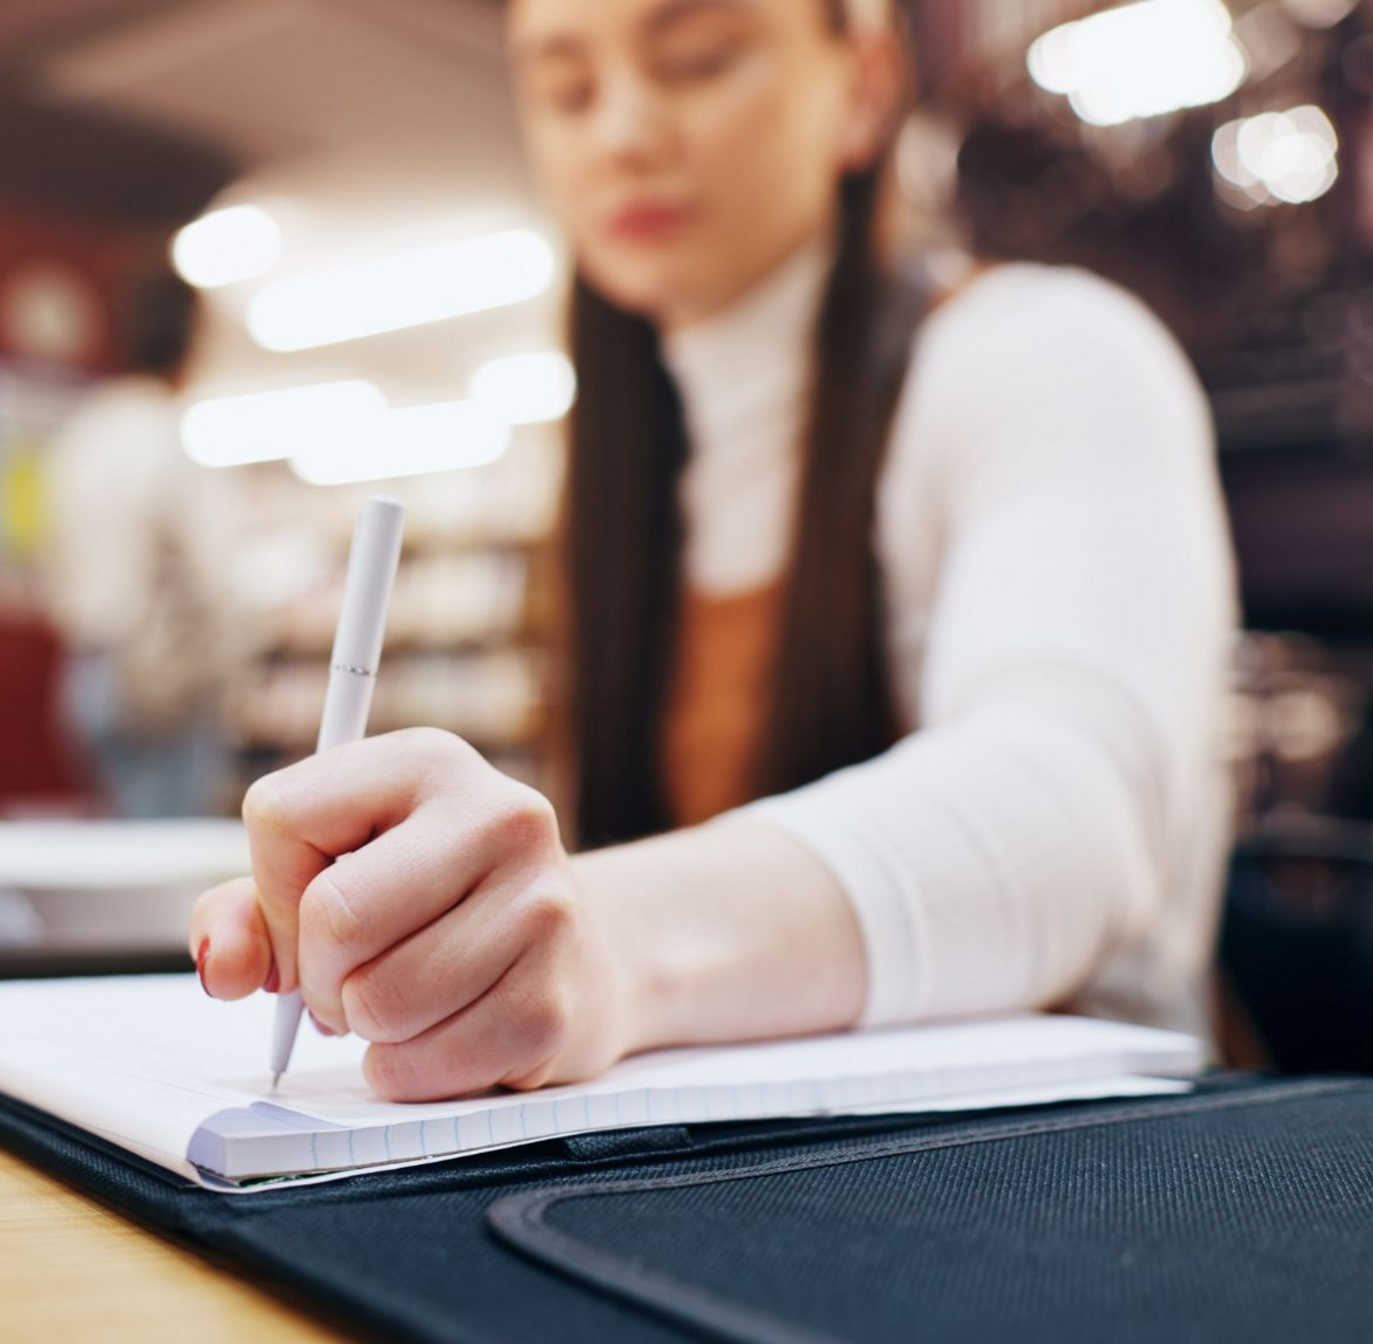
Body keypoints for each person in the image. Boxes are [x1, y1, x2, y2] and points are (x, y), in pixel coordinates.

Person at [189, 0, 1236, 1101]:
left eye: (694, 60)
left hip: (1072, 1177)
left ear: (863, 88)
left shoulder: (1049, 354)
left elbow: (1067, 813)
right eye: (564, 87)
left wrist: (613, 938)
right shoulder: (615, 476)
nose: (621, 133)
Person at [42, 270, 239, 818]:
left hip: (86, 672)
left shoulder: (82, 433)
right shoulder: (167, 436)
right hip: (156, 681)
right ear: (190, 338)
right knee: (165, 856)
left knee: (123, 834)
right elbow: (212, 570)